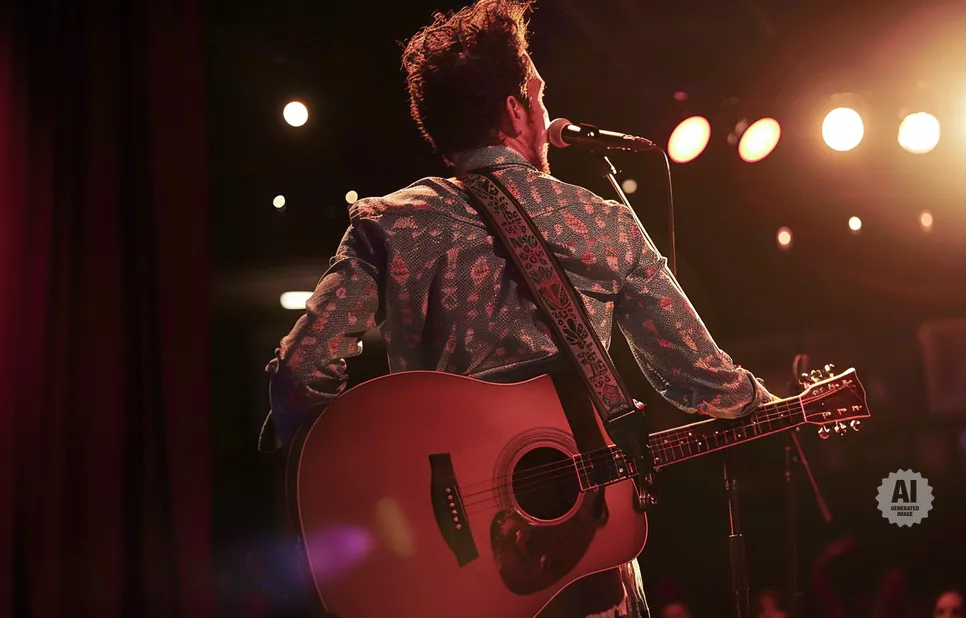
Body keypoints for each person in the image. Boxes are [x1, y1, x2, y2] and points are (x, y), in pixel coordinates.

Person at [264, 0, 776, 615]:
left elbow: (299, 369)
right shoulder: (601, 224)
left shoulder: (391, 223)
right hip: (590, 584)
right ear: (515, 108)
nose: (544, 110)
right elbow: (701, 379)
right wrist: (775, 408)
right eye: (539, 94)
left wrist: (368, 467)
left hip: (449, 587)